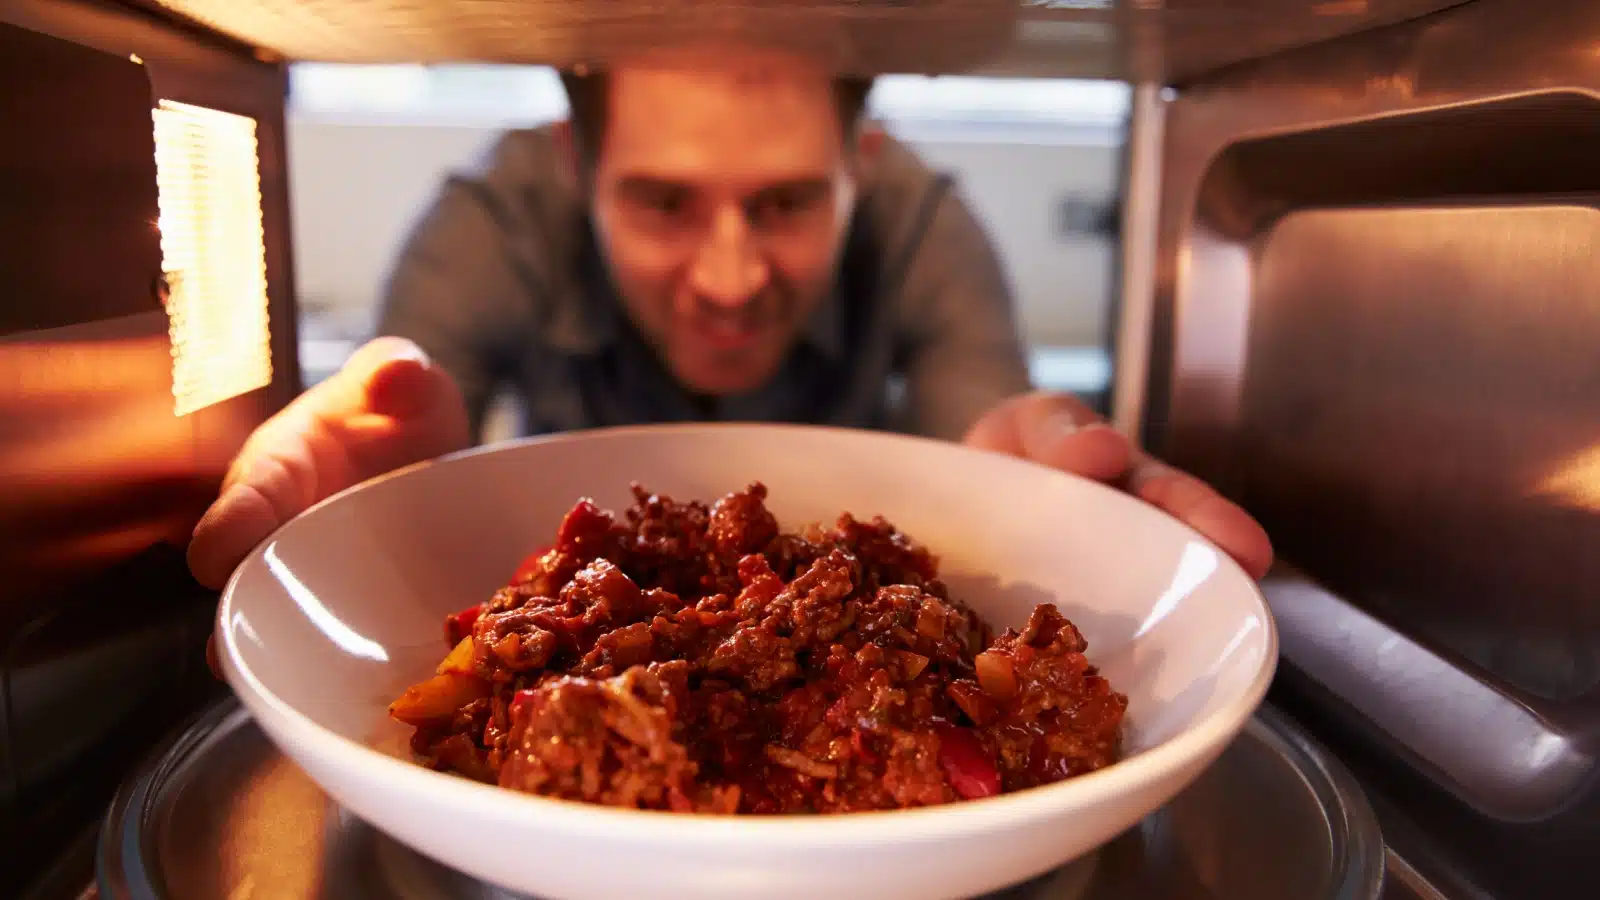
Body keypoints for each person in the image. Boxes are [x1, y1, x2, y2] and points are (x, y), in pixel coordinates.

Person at [185, 47, 1273, 594]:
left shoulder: (923, 226)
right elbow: (406, 428)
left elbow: (986, 433)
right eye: (663, 203)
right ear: (576, 167)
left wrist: (1037, 497)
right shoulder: (490, 221)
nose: (729, 278)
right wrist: (385, 511)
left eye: (787, 203)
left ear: (861, 168)